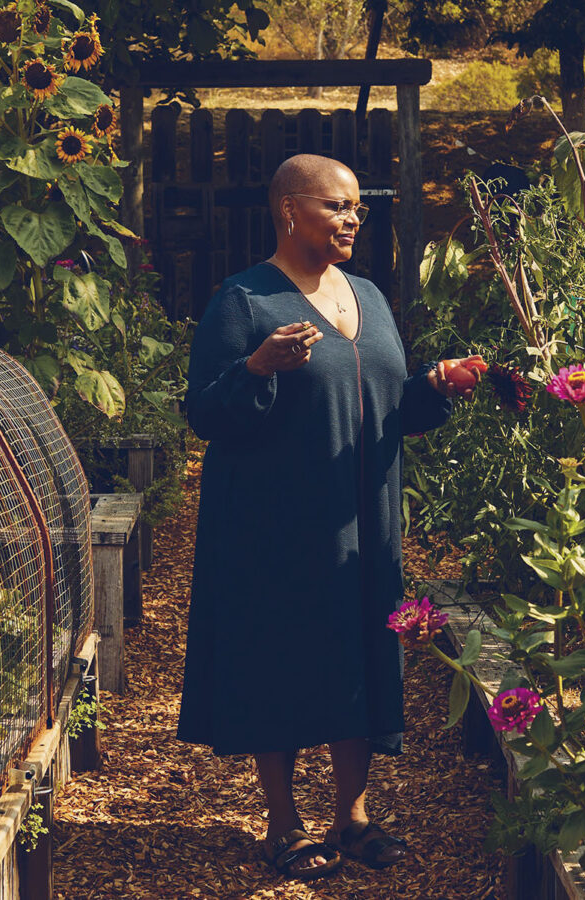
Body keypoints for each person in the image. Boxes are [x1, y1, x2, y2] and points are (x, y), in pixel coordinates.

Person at [176, 154, 479, 881]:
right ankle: (282, 822)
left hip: (363, 520)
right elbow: (204, 413)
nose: (352, 219)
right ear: (290, 210)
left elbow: (389, 405)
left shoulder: (367, 294)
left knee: (359, 656)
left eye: (357, 209)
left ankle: (353, 816)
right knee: (277, 656)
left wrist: (435, 385)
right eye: (337, 206)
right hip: (273, 523)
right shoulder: (244, 302)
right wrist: (256, 368)